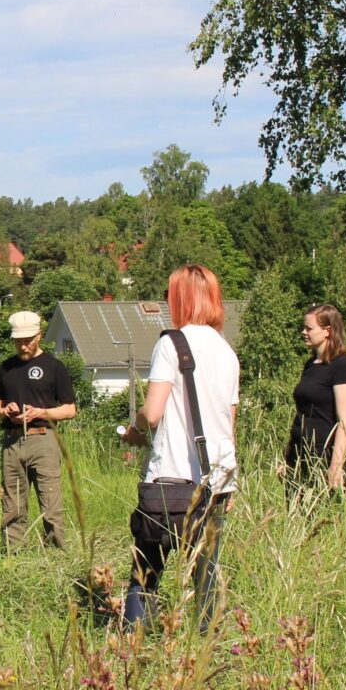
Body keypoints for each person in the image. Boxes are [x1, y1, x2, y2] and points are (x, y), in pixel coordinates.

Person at [125, 265, 239, 631]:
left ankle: (132, 649)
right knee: (205, 578)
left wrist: (135, 428)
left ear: (181, 298)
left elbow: (153, 413)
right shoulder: (227, 352)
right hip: (218, 480)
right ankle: (204, 654)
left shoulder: (171, 343)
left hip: (171, 479)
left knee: (144, 576)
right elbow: (229, 424)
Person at [0, 310, 77, 550]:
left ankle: (58, 557)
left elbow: (70, 409)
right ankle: (14, 558)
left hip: (44, 441)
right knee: (12, 506)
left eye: (27, 340)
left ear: (39, 336)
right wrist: (5, 411)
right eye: (18, 341)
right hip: (12, 442)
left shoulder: (54, 367)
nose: (23, 345)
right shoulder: (6, 368)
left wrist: (41, 413)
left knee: (51, 506)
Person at [283, 303, 346, 495]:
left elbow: (345, 421)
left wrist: (336, 466)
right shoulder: (311, 365)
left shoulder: (342, 366)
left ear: (327, 331)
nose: (304, 332)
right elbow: (302, 414)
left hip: (323, 457)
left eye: (309, 328)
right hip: (300, 457)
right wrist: (288, 460)